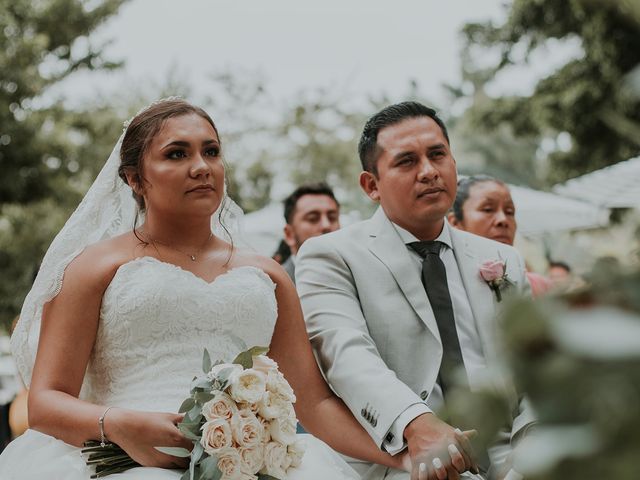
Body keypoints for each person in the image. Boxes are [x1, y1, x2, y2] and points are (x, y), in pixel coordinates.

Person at [0, 98, 407, 479]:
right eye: (177, 154)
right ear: (134, 179)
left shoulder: (268, 274)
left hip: (253, 466)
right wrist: (118, 424)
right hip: (128, 465)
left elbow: (315, 405)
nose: (201, 167)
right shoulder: (95, 267)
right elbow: (45, 403)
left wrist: (406, 455)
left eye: (211, 152)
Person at [296, 102, 535, 480]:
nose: (428, 172)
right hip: (404, 460)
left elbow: (535, 370)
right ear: (371, 185)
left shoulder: (504, 259)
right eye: (406, 161)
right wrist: (416, 425)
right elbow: (349, 356)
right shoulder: (331, 256)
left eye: (437, 154)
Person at [447, 175, 551, 297]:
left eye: (509, 212)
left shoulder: (542, 288)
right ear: (454, 223)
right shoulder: (447, 287)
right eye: (488, 209)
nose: (503, 220)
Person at [281, 183, 340, 283]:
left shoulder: (353, 276)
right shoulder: (274, 286)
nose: (326, 225)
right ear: (289, 234)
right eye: (313, 218)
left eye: (332, 217)